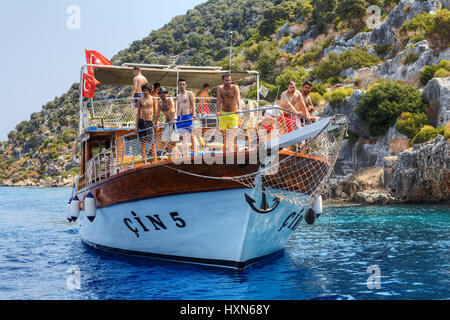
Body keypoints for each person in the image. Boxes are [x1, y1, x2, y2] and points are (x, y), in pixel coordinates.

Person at [216, 74, 241, 152]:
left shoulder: (234, 87)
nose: (228, 82)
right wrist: (218, 111)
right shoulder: (220, 88)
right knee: (223, 133)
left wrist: (239, 108)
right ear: (223, 81)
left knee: (232, 132)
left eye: (229, 80)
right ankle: (225, 150)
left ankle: (231, 149)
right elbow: (219, 100)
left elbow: (238, 98)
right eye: (226, 80)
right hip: (223, 113)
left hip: (233, 113)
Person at [176, 79, 196, 158]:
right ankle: (186, 154)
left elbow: (193, 104)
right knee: (183, 137)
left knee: (192, 135)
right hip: (180, 118)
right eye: (180, 84)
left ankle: (195, 153)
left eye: (183, 84)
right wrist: (176, 117)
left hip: (187, 116)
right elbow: (178, 107)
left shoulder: (189, 93)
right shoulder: (178, 96)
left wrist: (194, 113)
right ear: (178, 86)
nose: (182, 86)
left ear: (185, 85)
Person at [135, 83, 156, 160]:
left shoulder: (153, 99)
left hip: (149, 121)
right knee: (143, 143)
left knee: (152, 142)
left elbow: (156, 112)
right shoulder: (140, 100)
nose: (145, 92)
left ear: (149, 91)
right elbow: (138, 113)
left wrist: (156, 122)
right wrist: (136, 126)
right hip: (142, 121)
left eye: (146, 90)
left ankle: (155, 159)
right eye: (144, 90)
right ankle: (144, 159)